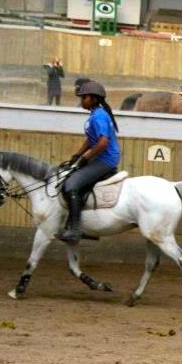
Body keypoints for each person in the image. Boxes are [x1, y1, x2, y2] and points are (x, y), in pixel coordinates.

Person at [57, 79, 121, 243]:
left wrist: (85, 158)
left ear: (93, 98)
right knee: (71, 178)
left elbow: (103, 142)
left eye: (84, 97)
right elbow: (91, 139)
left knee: (71, 186)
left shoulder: (99, 116)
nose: (82, 101)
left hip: (106, 160)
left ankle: (76, 230)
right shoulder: (95, 114)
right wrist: (77, 156)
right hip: (100, 157)